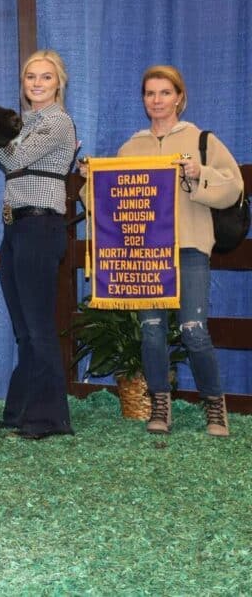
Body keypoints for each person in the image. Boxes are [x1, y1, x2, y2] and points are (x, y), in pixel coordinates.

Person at [108, 65, 242, 436]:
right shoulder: (130, 148)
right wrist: (92, 183)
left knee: (194, 330)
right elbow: (109, 201)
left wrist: (201, 174)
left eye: (165, 92)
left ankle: (215, 406)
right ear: (143, 99)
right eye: (150, 93)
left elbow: (234, 188)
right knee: (151, 331)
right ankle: (159, 405)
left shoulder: (201, 140)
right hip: (146, 253)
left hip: (190, 247)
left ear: (179, 97)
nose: (157, 100)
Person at [0, 49, 77, 439]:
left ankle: (49, 418)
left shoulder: (58, 122)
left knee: (39, 326)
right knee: (24, 328)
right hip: (17, 228)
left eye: (45, 77)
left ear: (58, 83)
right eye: (31, 77)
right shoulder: (22, 123)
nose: (37, 83)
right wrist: (6, 242)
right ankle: (20, 410)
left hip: (41, 227)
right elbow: (13, 162)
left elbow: (16, 158)